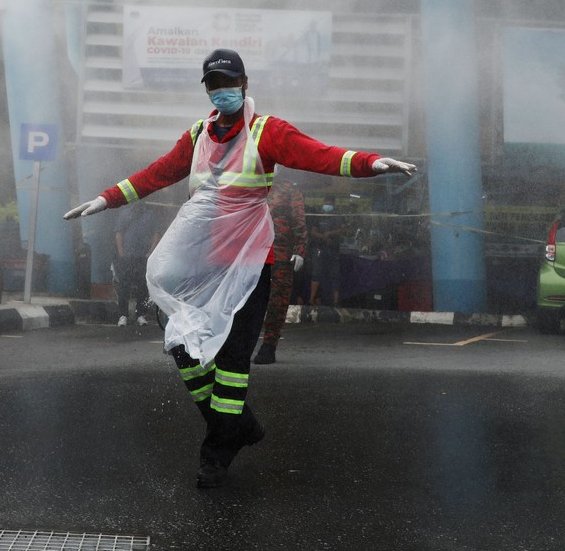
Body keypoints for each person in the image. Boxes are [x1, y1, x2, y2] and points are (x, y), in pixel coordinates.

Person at [64, 48, 416, 488]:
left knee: (232, 360)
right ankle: (241, 425)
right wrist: (106, 199)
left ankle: (216, 456)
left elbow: (318, 155)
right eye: (213, 85)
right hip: (204, 265)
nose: (221, 91)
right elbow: (157, 173)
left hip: (253, 264)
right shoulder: (197, 136)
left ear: (244, 84)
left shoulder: (267, 131)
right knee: (184, 346)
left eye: (228, 83)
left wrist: (370, 164)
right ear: (207, 90)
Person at [252, 179, 307, 365]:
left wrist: (300, 249)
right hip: (254, 251)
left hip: (280, 252)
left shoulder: (289, 188)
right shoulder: (254, 186)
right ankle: (245, 343)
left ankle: (269, 346)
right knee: (251, 300)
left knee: (277, 300)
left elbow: (299, 219)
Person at [112, 199, 160, 327]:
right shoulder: (125, 213)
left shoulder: (150, 215)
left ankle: (141, 315)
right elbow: (119, 233)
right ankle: (123, 315)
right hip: (127, 256)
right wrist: (121, 253)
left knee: (142, 286)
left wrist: (151, 252)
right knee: (124, 286)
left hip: (143, 256)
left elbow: (156, 234)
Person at [309, 195, 345, 306]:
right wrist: (322, 236)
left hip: (333, 249)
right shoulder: (318, 215)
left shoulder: (339, 216)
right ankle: (311, 300)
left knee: (335, 275)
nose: (327, 205)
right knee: (316, 274)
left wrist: (330, 234)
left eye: (330, 204)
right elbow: (313, 231)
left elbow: (343, 229)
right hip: (319, 248)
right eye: (326, 203)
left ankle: (335, 301)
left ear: (334, 204)